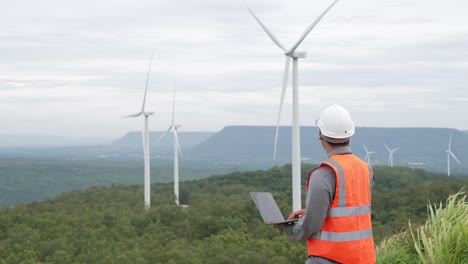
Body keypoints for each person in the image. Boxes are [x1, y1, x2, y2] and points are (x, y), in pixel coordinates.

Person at [274, 104, 376, 264]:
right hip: (364, 258)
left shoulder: (323, 174)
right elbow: (349, 209)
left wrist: (288, 229)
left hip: (330, 258)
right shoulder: (366, 169)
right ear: (350, 134)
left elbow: (311, 225)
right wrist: (313, 209)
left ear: (321, 135)